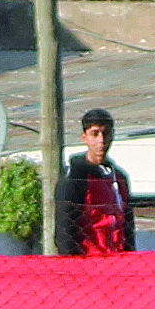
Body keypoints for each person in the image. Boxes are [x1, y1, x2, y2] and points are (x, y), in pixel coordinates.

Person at [55, 108, 135, 256]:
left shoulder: (119, 178)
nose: (101, 140)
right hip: (89, 261)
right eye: (95, 134)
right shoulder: (74, 177)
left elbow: (128, 227)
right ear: (84, 137)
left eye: (106, 133)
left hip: (119, 260)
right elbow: (64, 229)